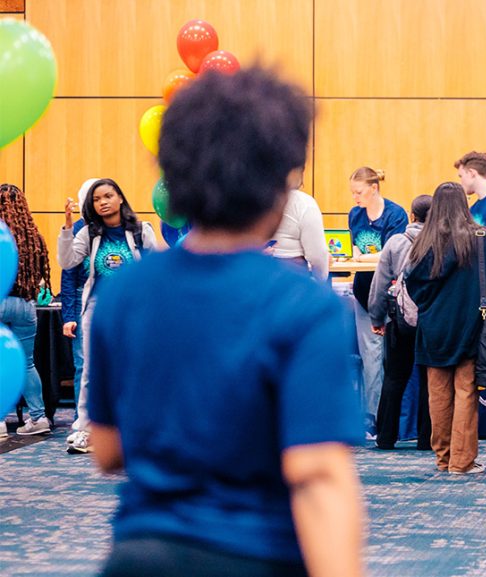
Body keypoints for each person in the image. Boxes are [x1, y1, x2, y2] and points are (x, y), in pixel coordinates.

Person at [89, 67, 366, 577]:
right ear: (279, 186)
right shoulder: (303, 305)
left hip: (138, 555)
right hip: (255, 555)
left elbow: (106, 448)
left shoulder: (124, 292)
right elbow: (319, 475)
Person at [404, 182, 486, 474]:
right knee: (465, 391)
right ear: (464, 204)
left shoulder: (423, 242)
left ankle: (443, 457)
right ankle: (461, 461)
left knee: (437, 394)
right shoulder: (482, 238)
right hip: (470, 323)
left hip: (433, 326)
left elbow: (412, 284)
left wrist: (431, 305)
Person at [57, 177, 158, 454]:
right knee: (91, 370)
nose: (102, 202)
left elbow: (156, 269)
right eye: (96, 199)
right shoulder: (88, 233)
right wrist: (67, 227)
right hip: (98, 308)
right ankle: (85, 429)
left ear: (120, 198)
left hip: (134, 310)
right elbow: (67, 261)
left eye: (108, 196)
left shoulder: (141, 230)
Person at [368, 194, 433, 451]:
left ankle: (385, 437)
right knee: (430, 380)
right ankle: (427, 439)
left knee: (394, 377)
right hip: (431, 320)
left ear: (411, 215)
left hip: (401, 320)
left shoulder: (396, 242)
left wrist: (376, 317)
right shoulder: (441, 243)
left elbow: (380, 284)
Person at [348, 167, 408, 438]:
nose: (355, 198)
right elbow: (355, 249)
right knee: (370, 357)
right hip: (364, 292)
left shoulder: (396, 215)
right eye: (352, 193)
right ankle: (373, 417)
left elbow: (391, 254)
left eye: (359, 192)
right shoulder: (355, 215)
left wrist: (362, 257)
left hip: (390, 294)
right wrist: (358, 256)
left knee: (391, 358)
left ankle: (394, 419)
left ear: (373, 188)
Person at [0, 183, 51, 436]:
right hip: (26, 306)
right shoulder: (33, 237)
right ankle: (39, 418)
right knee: (27, 364)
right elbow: (40, 276)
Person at [60, 179, 96, 426]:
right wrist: (69, 317)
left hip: (114, 300)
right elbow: (68, 277)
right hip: (83, 303)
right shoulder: (77, 230)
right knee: (83, 365)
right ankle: (81, 419)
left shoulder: (119, 229)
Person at [271, 168, 329, 281]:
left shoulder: (252, 199)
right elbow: (317, 255)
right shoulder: (304, 203)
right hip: (294, 277)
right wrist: (321, 280)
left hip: (254, 274)